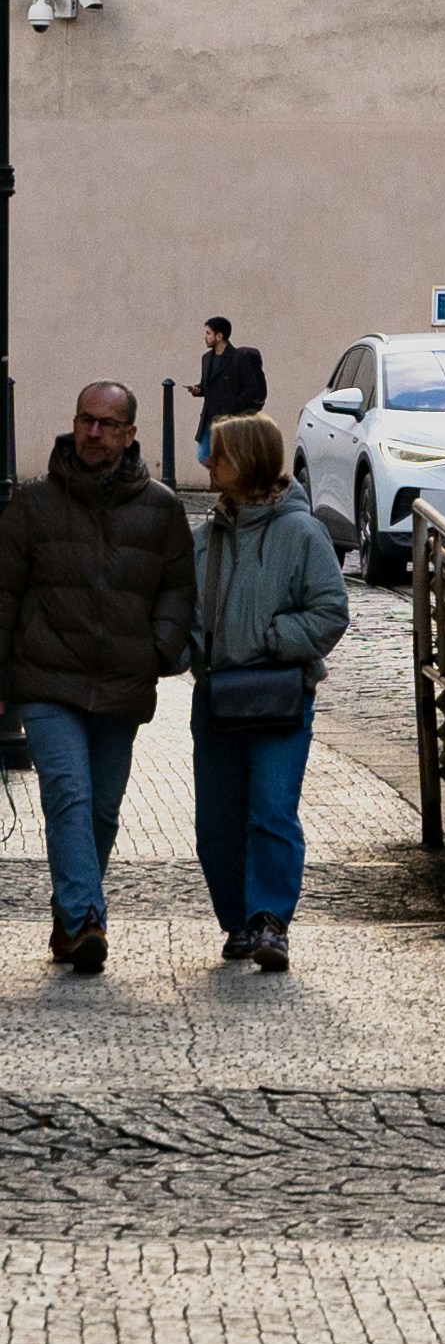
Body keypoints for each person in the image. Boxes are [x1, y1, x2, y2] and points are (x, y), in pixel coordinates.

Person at [0, 377, 196, 972]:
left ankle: (68, 916)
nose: (92, 432)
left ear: (130, 433)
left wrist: (158, 648)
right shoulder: (33, 505)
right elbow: (4, 594)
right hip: (48, 680)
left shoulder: (161, 508)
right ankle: (87, 918)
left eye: (106, 424)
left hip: (121, 683)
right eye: (85, 420)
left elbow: (178, 589)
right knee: (68, 796)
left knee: (102, 813)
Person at [187, 410, 347, 973]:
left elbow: (330, 611)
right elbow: (186, 619)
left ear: (251, 461)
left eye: (221, 454)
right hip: (217, 698)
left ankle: (270, 921)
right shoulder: (203, 540)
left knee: (272, 811)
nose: (209, 461)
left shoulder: (302, 533)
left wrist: (269, 639)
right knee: (216, 822)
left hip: (282, 696)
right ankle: (237, 922)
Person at [192, 317, 266, 471]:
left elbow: (251, 389)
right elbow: (207, 385)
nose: (205, 337)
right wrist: (198, 389)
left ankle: (230, 480)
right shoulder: (206, 358)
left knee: (231, 457)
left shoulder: (239, 358)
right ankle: (225, 477)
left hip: (231, 418)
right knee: (203, 454)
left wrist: (233, 406)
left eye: (208, 333)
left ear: (219, 336)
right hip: (209, 417)